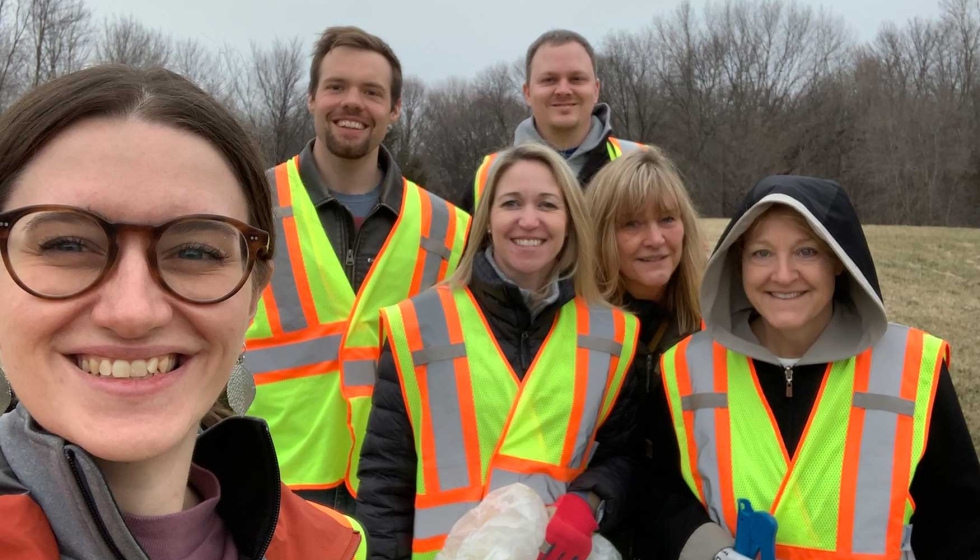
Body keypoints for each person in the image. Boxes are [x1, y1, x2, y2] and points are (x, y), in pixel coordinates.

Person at [0, 65, 367, 559]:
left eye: (195, 252)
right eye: (66, 244)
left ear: (254, 295)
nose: (133, 312)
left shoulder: (330, 548)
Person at [650, 175, 980, 559]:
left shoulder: (913, 369)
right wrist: (711, 550)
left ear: (839, 262)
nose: (784, 274)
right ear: (737, 261)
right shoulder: (686, 368)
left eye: (806, 252)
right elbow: (660, 494)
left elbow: (959, 526)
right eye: (761, 253)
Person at [356, 143, 643, 560]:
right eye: (511, 203)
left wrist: (590, 500)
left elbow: (625, 457)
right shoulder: (418, 326)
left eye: (548, 204)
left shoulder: (613, 334)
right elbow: (385, 482)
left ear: (570, 222)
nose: (529, 219)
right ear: (487, 219)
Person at [244, 26, 471, 513]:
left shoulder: (453, 230)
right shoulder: (248, 208)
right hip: (271, 480)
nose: (352, 102)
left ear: (394, 109)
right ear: (311, 98)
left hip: (397, 485)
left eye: (371, 92)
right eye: (336, 87)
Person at [585, 147, 707, 557]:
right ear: (601, 233)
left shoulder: (716, 327)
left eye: (667, 219)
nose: (655, 239)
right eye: (631, 224)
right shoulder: (575, 330)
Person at [462, 29, 646, 213]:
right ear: (527, 92)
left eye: (576, 79)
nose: (563, 90)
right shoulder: (489, 175)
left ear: (596, 89)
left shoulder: (641, 163)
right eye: (549, 80)